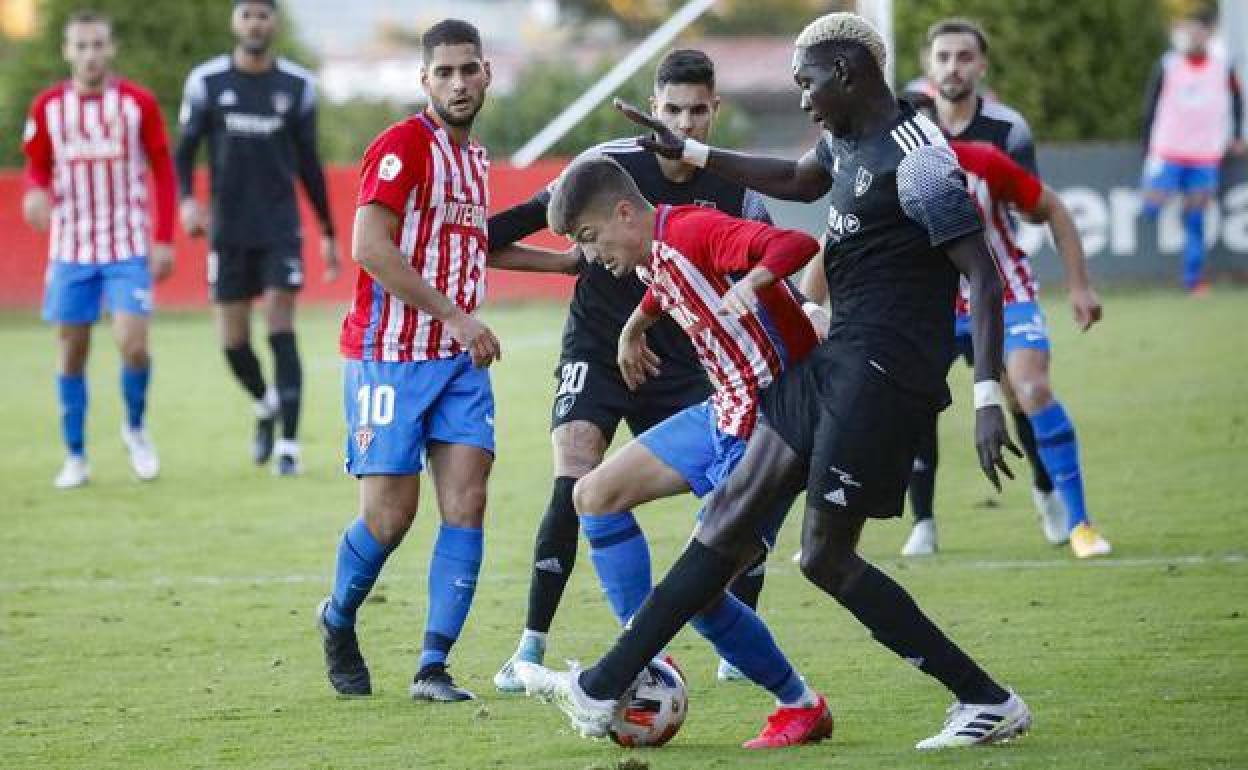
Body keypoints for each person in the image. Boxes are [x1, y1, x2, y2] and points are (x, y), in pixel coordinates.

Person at [518, 12, 1031, 751]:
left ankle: (986, 700)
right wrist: (691, 148)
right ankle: (602, 685)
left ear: (849, 71)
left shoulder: (918, 158)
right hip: (834, 360)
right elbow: (796, 179)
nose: (801, 98)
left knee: (825, 557)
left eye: (807, 82)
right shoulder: (848, 140)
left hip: (885, 372)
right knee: (725, 525)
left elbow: (981, 276)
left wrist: (986, 395)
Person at [489, 49, 789, 691]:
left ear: (716, 111)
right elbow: (494, 235)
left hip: (685, 356)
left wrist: (807, 314)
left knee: (737, 501)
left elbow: (786, 252)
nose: (685, 121)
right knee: (574, 473)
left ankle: (738, 647)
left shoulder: (734, 184)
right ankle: (529, 647)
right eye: (673, 108)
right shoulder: (602, 169)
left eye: (698, 110)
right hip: (598, 346)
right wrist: (565, 264)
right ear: (654, 109)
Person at [314, 19, 578, 703]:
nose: (459, 83)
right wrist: (458, 318)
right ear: (425, 80)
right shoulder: (403, 146)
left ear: (486, 73)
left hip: (459, 364)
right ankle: (338, 618)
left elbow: (470, 245)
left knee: (468, 502)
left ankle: (432, 666)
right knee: (390, 519)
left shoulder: (474, 158)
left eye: (469, 70)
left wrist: (565, 263)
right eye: (445, 73)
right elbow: (371, 247)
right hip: (389, 357)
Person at [539, 154, 834, 748]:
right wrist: (633, 328)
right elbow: (665, 286)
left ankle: (800, 704)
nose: (590, 256)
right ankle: (645, 657)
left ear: (625, 213)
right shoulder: (652, 255)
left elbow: (795, 243)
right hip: (723, 412)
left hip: (774, 426)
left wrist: (754, 282)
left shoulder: (695, 230)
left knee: (700, 594)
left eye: (591, 238)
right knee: (592, 495)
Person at [896, 16, 1068, 555]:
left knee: (1020, 391)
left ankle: (1045, 488)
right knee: (916, 400)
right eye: (943, 56)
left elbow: (1033, 206)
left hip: (993, 285)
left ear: (981, 66)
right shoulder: (902, 119)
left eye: (963, 56)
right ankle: (922, 521)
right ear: (928, 64)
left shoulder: (1005, 131)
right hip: (928, 295)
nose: (952, 66)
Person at [175, 0, 339, 475]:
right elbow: (184, 152)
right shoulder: (206, 83)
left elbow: (309, 164)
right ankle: (265, 403)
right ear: (235, 22)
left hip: (279, 229)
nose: (255, 23)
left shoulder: (298, 86)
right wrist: (187, 200)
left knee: (280, 326)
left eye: (263, 15)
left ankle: (289, 445)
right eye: (247, 14)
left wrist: (327, 230)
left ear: (275, 24)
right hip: (227, 231)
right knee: (231, 341)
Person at [22, 10, 176, 488]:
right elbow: (37, 167)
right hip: (71, 248)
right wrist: (34, 190)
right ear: (68, 51)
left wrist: (164, 238)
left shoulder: (138, 103)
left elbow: (163, 172)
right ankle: (76, 455)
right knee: (72, 351)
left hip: (127, 244)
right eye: (81, 46)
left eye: (98, 45)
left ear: (111, 49)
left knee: (133, 344)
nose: (90, 54)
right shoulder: (48, 106)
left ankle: (135, 428)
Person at [1141, 6, 1245, 294]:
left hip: (1204, 155)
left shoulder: (1223, 66)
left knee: (1196, 220)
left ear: (1208, 36)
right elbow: (1150, 107)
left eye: (1200, 33)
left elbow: (1237, 100)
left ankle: (1193, 281)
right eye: (1190, 34)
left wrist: (1236, 135)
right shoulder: (1168, 65)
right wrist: (1146, 145)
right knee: (1150, 207)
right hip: (1168, 150)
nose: (1194, 39)